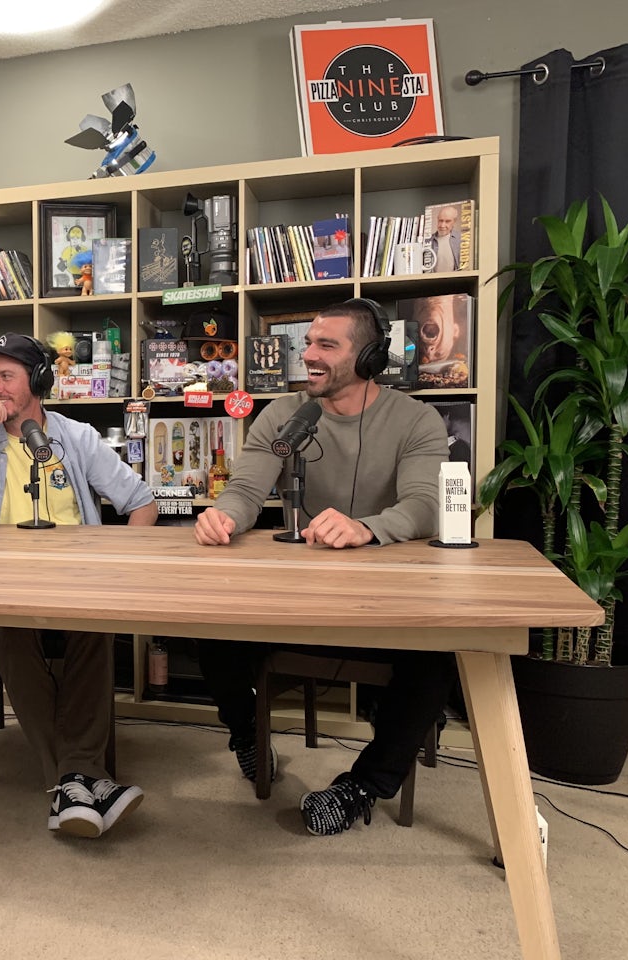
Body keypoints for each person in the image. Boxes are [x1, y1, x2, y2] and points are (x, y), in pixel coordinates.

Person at [192, 301, 456, 837]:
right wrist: (226, 516)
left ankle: (365, 784)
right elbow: (246, 488)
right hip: (299, 593)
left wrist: (367, 527)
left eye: (326, 345)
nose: (308, 355)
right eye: (308, 343)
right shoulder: (284, 415)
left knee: (439, 652)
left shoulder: (417, 420)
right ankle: (246, 734)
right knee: (207, 623)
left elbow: (426, 504)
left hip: (385, 598)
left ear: (370, 357)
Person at [0, 332, 157, 838]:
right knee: (13, 635)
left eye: (6, 376)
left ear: (38, 380)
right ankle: (81, 778)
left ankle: (70, 782)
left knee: (95, 629)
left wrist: (117, 568)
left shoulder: (76, 437)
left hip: (77, 581)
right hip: (1, 586)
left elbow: (142, 504)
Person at [424, 204, 463, 273]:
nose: (442, 225)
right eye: (440, 221)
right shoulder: (427, 241)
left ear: (454, 222)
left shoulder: (461, 238)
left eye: (447, 221)